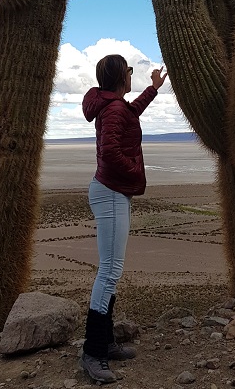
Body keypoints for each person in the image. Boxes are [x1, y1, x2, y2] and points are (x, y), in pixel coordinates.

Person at [80, 54, 167, 383]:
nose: (131, 75)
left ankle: (107, 343)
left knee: (110, 271)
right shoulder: (114, 108)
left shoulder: (114, 105)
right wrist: (135, 172)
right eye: (129, 71)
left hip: (111, 191)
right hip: (112, 191)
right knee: (109, 272)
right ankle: (94, 351)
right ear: (120, 76)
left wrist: (153, 89)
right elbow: (112, 151)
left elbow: (130, 114)